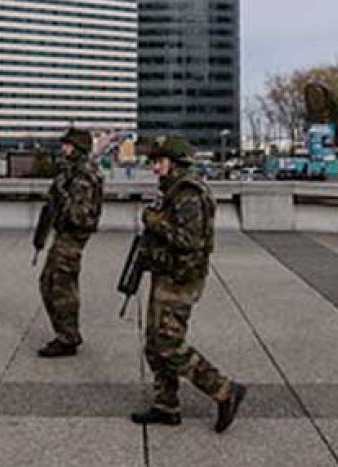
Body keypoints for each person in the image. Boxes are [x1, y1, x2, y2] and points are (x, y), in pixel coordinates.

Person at [130, 136, 246, 433]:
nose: (155, 168)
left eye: (159, 162)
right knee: (155, 344)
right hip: (168, 274)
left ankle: (223, 389)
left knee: (168, 344)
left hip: (180, 280)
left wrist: (153, 221)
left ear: (175, 162)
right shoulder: (172, 191)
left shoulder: (188, 194)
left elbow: (189, 240)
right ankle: (166, 405)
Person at [37, 128, 105, 357]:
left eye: (68, 145)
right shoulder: (70, 171)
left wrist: (61, 194)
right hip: (64, 234)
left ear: (78, 148)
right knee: (49, 282)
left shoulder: (83, 175)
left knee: (61, 284)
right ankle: (66, 333)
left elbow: (80, 215)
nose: (64, 149)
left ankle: (67, 337)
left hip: (72, 236)